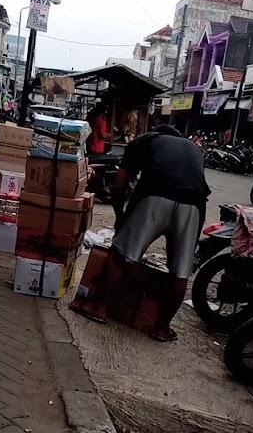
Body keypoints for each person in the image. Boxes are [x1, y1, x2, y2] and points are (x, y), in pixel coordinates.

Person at [75, 125, 210, 342]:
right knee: (180, 272)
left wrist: (121, 217)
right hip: (193, 205)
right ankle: (162, 328)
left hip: (155, 196)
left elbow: (120, 184)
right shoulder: (194, 149)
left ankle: (98, 308)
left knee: (120, 255)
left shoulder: (144, 140)